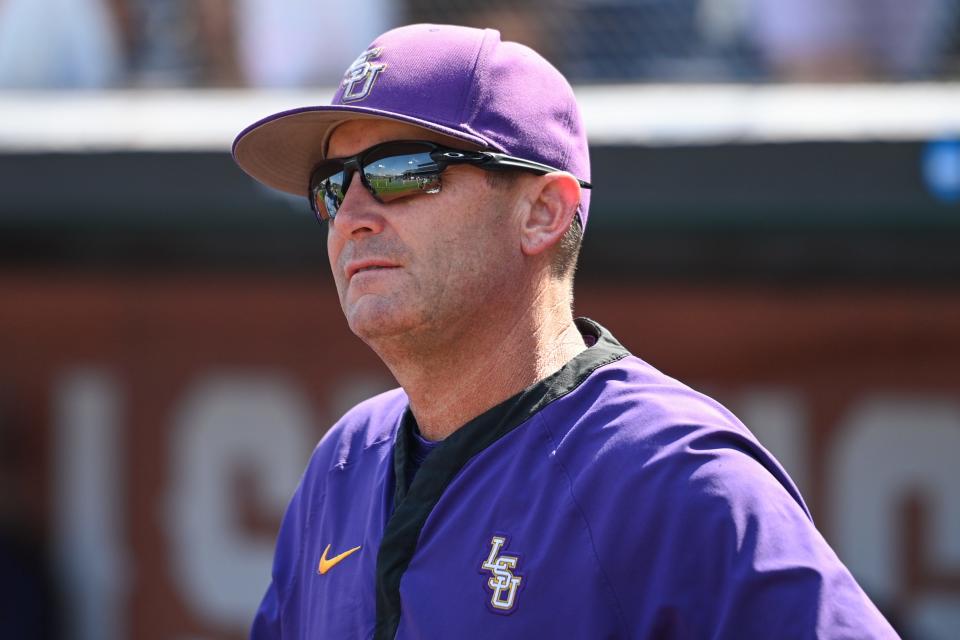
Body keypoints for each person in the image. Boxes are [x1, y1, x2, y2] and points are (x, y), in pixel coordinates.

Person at [232, 23, 898, 639]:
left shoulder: (673, 476)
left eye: (403, 172)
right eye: (331, 185)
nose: (351, 215)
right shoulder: (344, 463)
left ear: (543, 212)